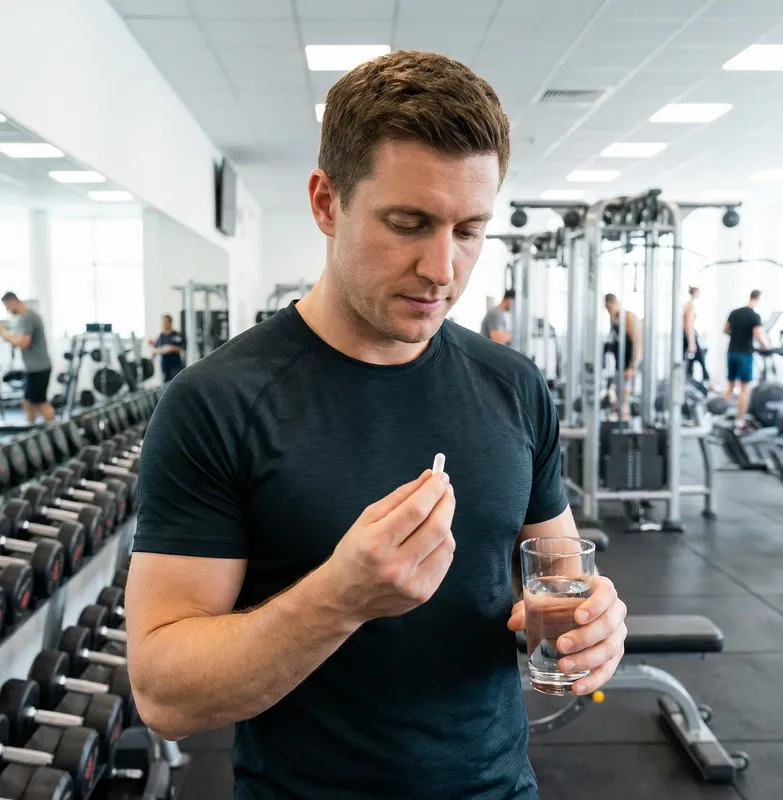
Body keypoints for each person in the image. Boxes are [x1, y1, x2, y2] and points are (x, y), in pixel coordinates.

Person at [127, 51, 627, 800]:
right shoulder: (216, 403)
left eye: (469, 230)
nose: (443, 268)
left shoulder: (514, 386)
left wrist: (596, 623)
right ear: (327, 203)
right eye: (409, 223)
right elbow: (166, 697)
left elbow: (560, 576)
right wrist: (342, 596)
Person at [0, 291, 54, 423]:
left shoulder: (28, 317)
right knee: (28, 402)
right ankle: (32, 428)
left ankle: (56, 432)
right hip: (36, 367)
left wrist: (4, 334)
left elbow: (23, 343)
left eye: (7, 307)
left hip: (38, 367)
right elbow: (20, 338)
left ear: (12, 302)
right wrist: (8, 335)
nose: (7, 311)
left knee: (40, 402)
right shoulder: (27, 316)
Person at [724, 289, 770, 431]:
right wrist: (766, 346)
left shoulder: (735, 312)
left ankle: (719, 415)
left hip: (732, 352)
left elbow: (725, 330)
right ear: (758, 298)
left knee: (730, 387)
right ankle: (739, 421)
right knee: (744, 389)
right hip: (744, 354)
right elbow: (758, 335)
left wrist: (737, 335)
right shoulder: (754, 316)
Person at [605, 293, 642, 420]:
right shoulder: (614, 319)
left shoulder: (628, 317)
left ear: (615, 304)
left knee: (625, 399)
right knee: (618, 395)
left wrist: (633, 367)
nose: (609, 311)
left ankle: (627, 427)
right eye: (607, 309)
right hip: (619, 364)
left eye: (610, 308)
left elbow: (637, 343)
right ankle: (622, 422)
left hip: (629, 365)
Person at [683, 286, 711, 384]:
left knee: (692, 361)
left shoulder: (687, 305)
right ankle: (707, 383)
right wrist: (691, 342)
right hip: (688, 336)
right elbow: (688, 324)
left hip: (687, 335)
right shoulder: (690, 306)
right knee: (701, 360)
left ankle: (691, 381)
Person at [149, 314, 184, 382]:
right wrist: (161, 350)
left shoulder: (176, 335)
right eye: (163, 322)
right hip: (165, 366)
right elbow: (154, 350)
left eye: (166, 322)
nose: (164, 324)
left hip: (175, 365)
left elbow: (181, 347)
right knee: (165, 384)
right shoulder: (161, 336)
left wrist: (171, 348)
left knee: (176, 382)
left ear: (170, 322)